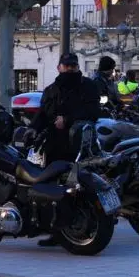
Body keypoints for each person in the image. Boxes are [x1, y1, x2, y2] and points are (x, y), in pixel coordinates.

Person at [27, 52, 102, 247]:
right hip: (55, 145)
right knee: (53, 188)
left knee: (78, 187)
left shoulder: (88, 86)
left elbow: (93, 112)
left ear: (78, 67)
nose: (70, 69)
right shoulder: (51, 89)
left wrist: (67, 120)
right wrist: (32, 129)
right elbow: (43, 114)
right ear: (59, 67)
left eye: (73, 66)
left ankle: (86, 225)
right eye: (66, 66)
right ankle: (56, 231)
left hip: (80, 147)